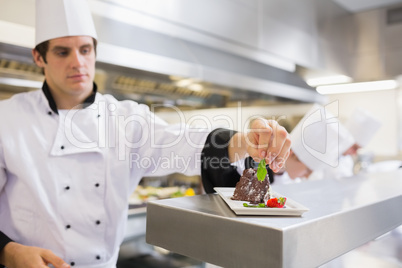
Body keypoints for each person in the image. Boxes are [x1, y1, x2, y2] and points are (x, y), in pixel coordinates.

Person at [0, 0, 291, 267]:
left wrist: (243, 142)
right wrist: (8, 251)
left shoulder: (127, 119)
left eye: (85, 49)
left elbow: (181, 143)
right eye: (63, 52)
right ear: (39, 57)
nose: (77, 62)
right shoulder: (8, 119)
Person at [205, 104, 354, 187]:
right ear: (294, 154)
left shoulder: (289, 179)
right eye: (308, 169)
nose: (308, 176)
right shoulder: (249, 164)